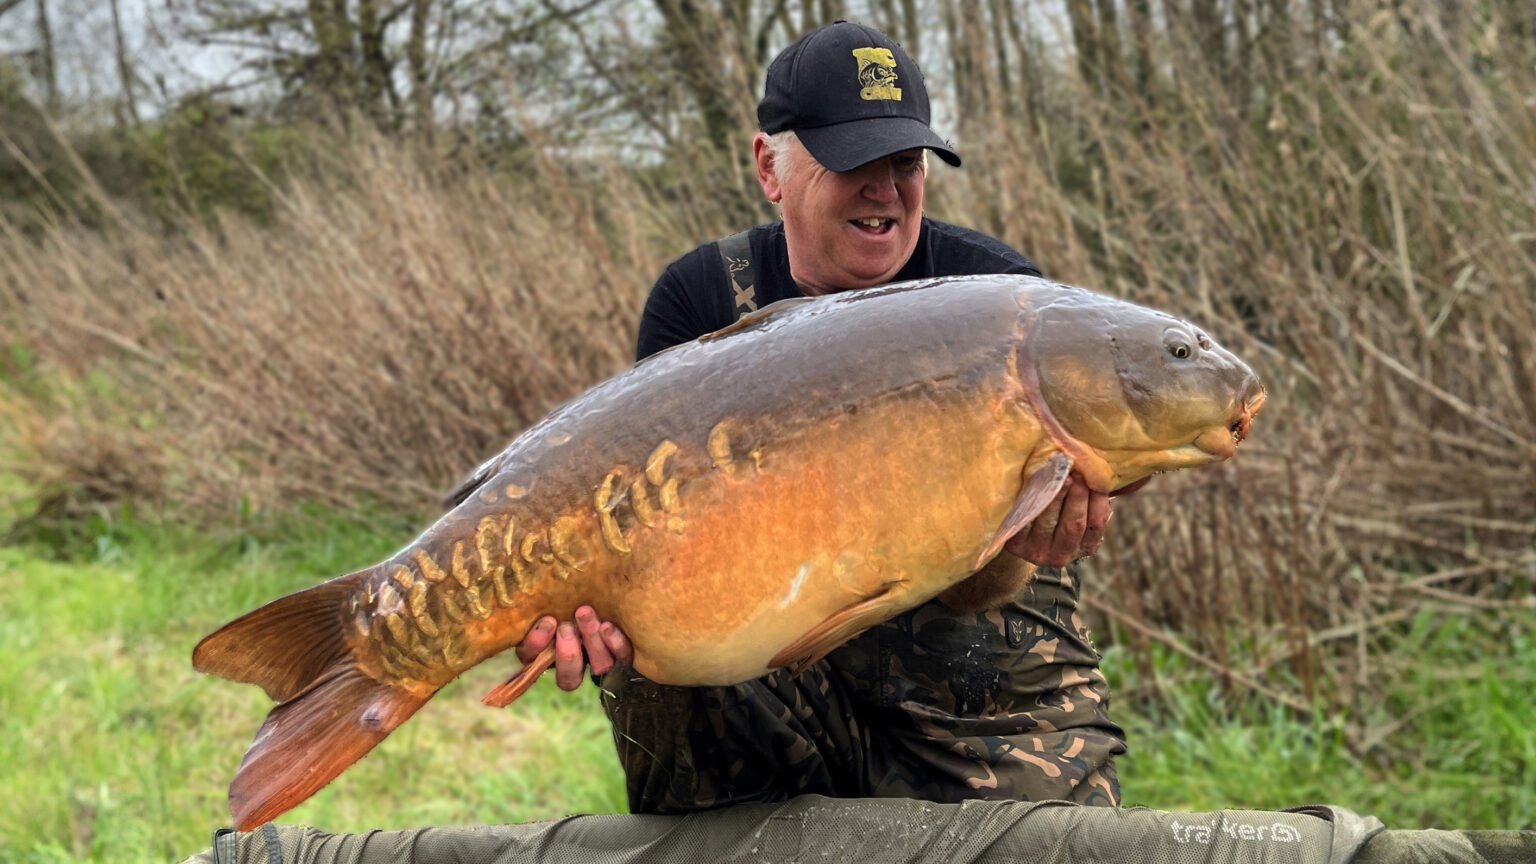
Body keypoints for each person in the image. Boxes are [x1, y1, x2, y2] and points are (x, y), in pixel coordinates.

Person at [515, 19, 1126, 813]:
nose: (884, 188)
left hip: (970, 678)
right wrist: (608, 606)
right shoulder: (699, 298)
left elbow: (991, 579)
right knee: (640, 666)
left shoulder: (996, 295)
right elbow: (648, 544)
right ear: (769, 166)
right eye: (852, 161)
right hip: (764, 658)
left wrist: (1023, 543)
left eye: (904, 163)